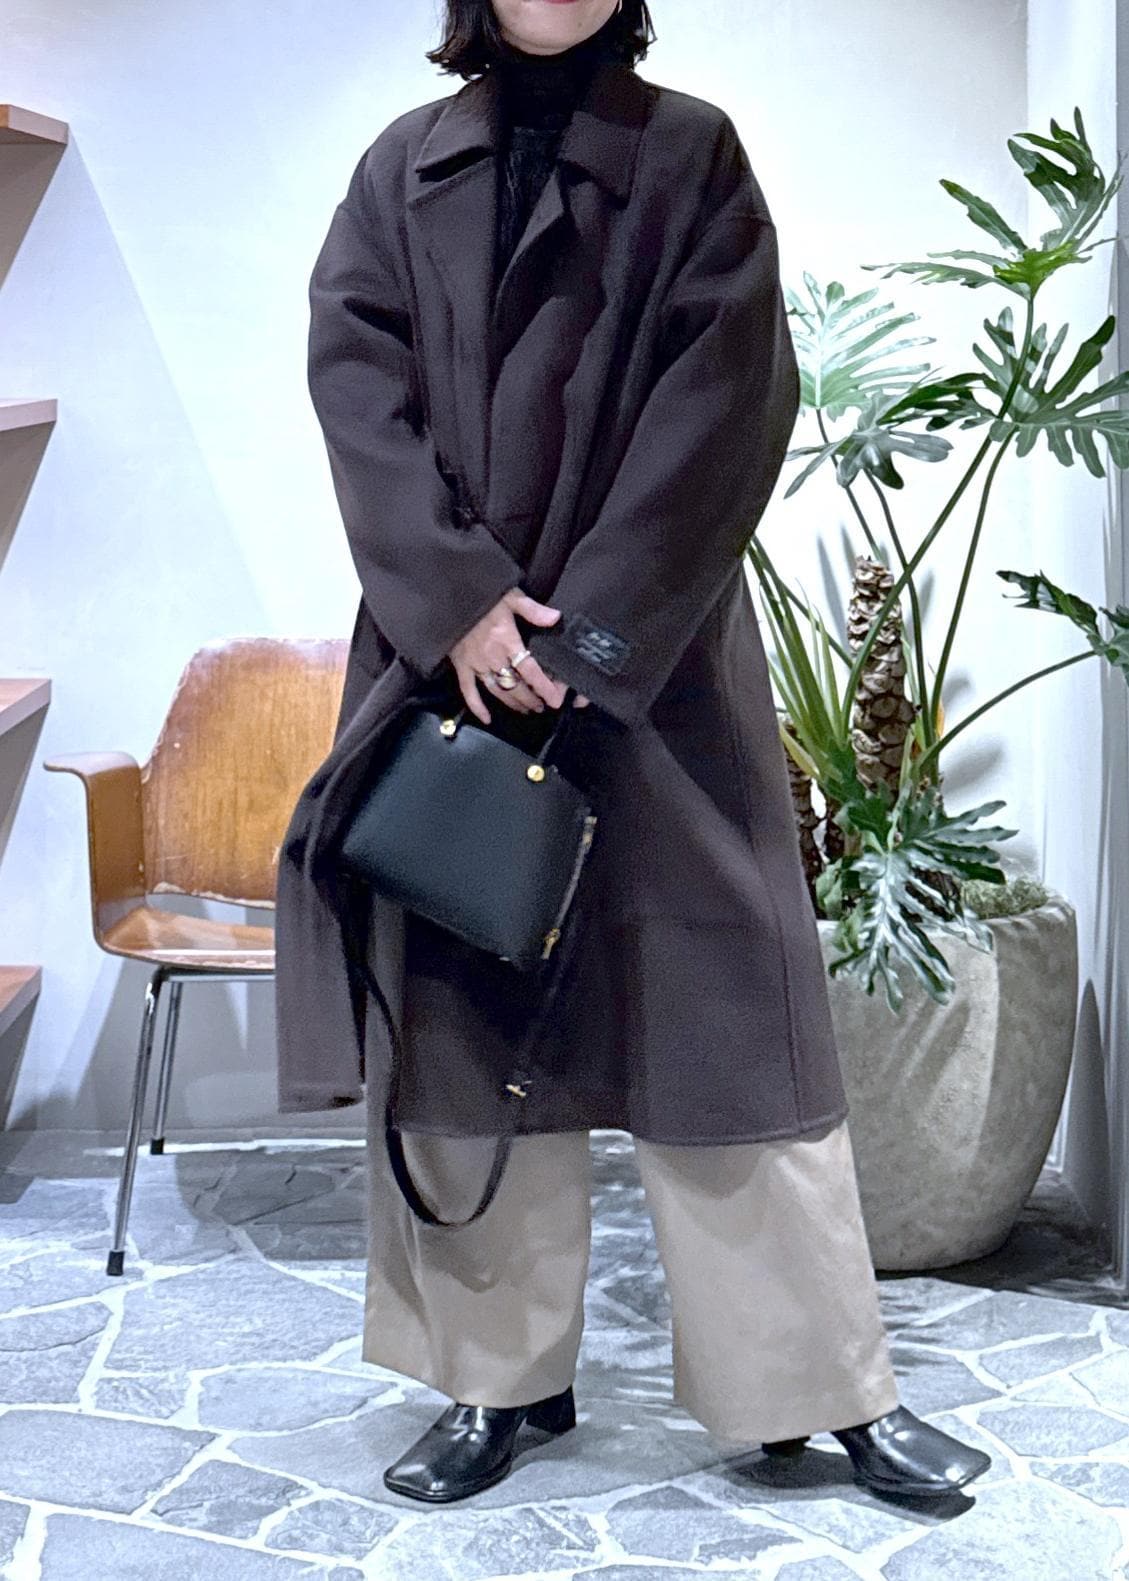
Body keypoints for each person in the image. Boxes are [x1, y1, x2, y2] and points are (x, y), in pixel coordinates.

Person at [294, 0, 992, 1506]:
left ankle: (819, 1390)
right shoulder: (399, 170)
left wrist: (586, 638)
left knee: (730, 1029)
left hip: (659, 677)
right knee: (470, 1028)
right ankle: (498, 1386)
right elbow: (357, 394)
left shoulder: (693, 156)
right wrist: (461, 604)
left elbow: (728, 404)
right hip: (452, 676)